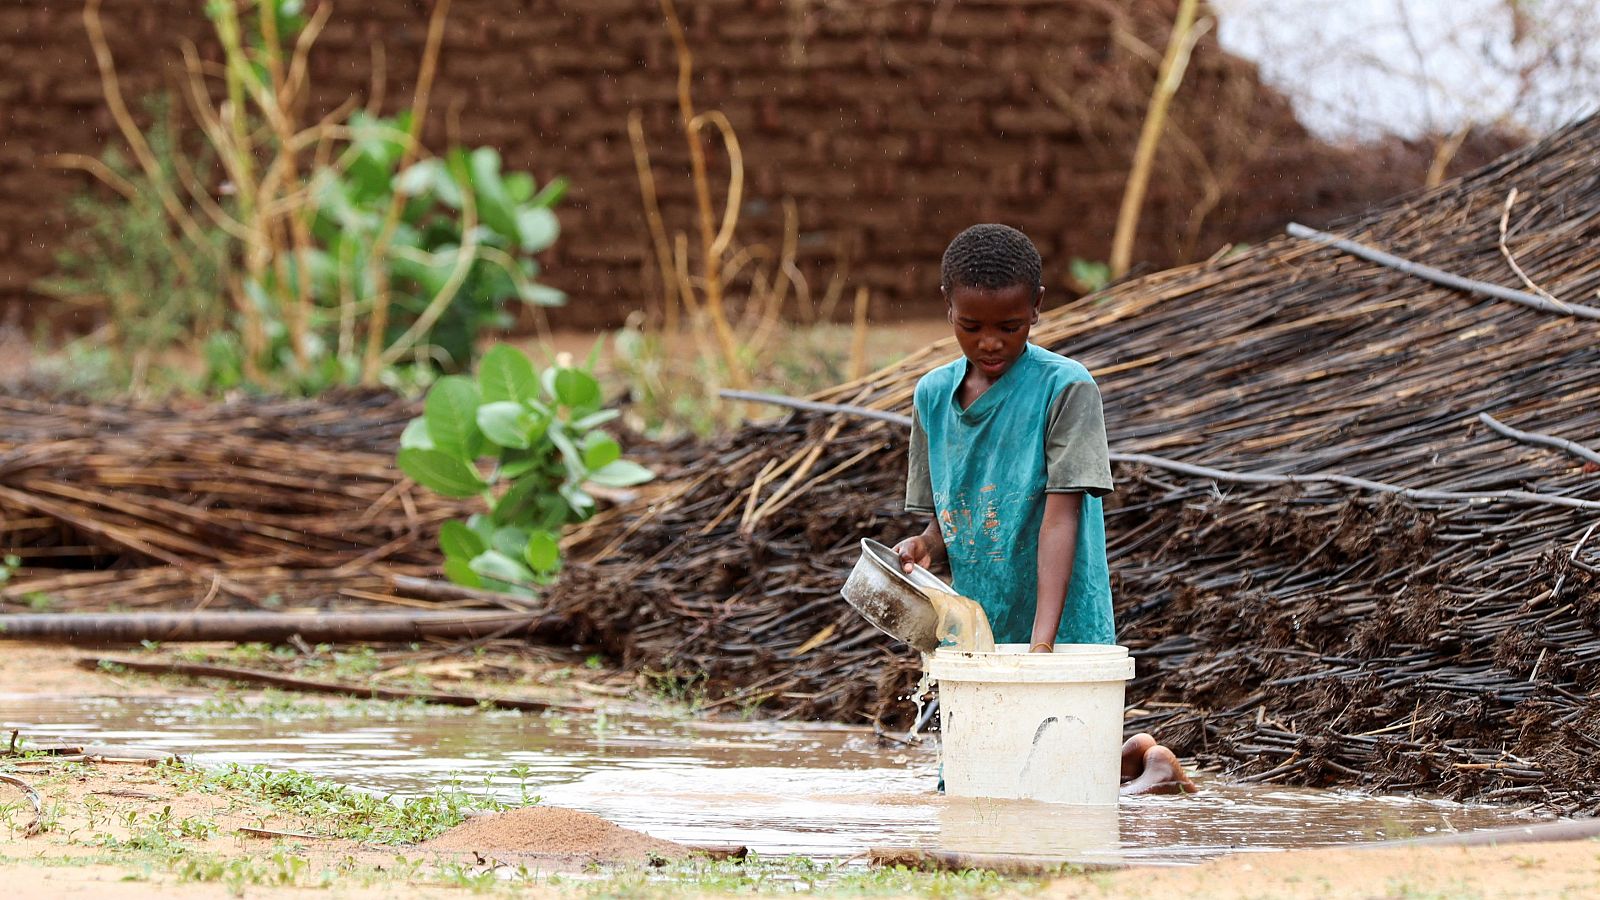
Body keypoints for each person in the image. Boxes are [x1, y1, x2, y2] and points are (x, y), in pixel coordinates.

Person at [893, 223, 1194, 796]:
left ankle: (1139, 767)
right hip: (982, 613)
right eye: (970, 326)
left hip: (1059, 608)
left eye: (1009, 326)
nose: (989, 342)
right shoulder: (932, 395)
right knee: (975, 782)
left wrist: (1042, 647)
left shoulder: (1066, 388)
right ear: (947, 308)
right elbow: (950, 512)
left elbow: (1062, 515)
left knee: (1055, 784)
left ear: (1037, 309)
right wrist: (924, 547)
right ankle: (1135, 760)